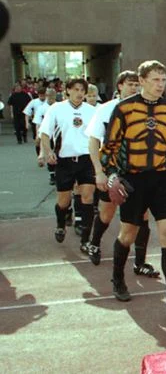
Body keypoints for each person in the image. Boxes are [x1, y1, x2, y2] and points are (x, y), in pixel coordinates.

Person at [100, 60, 166, 319]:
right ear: (143, 80)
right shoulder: (123, 109)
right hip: (133, 180)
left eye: (163, 80)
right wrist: (112, 175)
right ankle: (117, 279)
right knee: (128, 234)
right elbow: (109, 147)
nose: (160, 85)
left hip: (163, 179)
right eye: (155, 80)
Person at [85, 71, 158, 278]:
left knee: (143, 216)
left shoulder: (147, 109)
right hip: (113, 171)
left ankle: (140, 263)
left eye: (137, 84)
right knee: (107, 213)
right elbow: (93, 141)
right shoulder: (106, 109)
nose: (134, 88)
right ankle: (94, 243)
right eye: (130, 84)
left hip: (139, 172)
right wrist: (99, 171)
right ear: (119, 86)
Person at [38, 78, 96, 249]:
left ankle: (85, 240)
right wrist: (48, 151)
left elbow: (98, 136)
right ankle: (61, 224)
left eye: (82, 90)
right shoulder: (57, 109)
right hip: (64, 160)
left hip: (86, 159)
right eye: (76, 89)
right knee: (63, 201)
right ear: (68, 90)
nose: (79, 93)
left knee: (88, 198)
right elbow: (45, 133)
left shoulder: (92, 111)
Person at [34, 88, 57, 185]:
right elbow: (38, 123)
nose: (51, 98)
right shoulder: (41, 108)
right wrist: (37, 135)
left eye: (52, 96)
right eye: (49, 96)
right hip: (47, 133)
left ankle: (57, 172)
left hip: (57, 134)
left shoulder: (59, 106)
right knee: (49, 152)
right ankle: (52, 175)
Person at [23, 87, 47, 154]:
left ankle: (46, 153)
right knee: (37, 140)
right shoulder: (34, 102)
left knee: (47, 139)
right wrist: (27, 122)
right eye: (40, 95)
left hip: (47, 122)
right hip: (37, 122)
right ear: (38, 94)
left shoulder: (48, 102)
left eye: (43, 95)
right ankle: (39, 154)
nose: (42, 97)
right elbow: (27, 112)